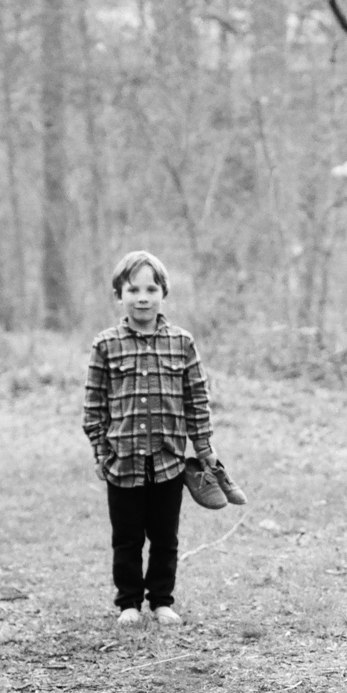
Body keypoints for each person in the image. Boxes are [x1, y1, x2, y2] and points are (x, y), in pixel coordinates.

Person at [82, 250, 215, 628]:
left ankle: (161, 600)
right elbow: (94, 406)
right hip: (122, 459)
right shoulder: (105, 345)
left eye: (151, 288)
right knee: (126, 537)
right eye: (133, 289)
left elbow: (197, 400)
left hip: (169, 458)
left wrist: (204, 448)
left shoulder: (182, 343)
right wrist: (100, 451)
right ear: (118, 295)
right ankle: (128, 603)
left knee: (164, 536)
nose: (143, 297)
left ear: (163, 293)